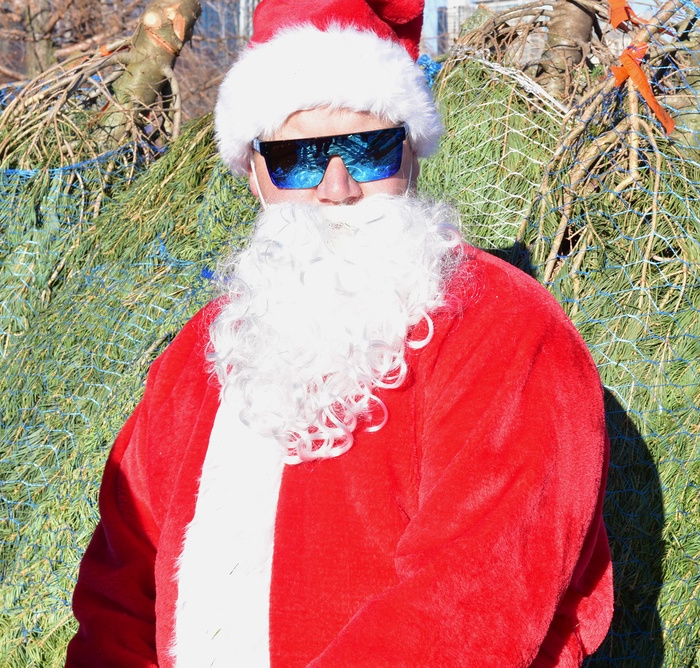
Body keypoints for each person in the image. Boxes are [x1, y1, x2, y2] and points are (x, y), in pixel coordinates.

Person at [66, 0, 614, 666]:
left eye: (367, 149)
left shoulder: (506, 328)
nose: (336, 188)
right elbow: (120, 583)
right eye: (299, 161)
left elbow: (472, 599)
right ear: (257, 175)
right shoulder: (202, 354)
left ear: (409, 156)